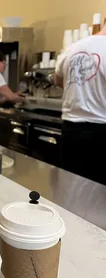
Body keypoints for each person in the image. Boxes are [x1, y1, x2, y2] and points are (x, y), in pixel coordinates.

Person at [54, 24, 106, 185]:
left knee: (71, 187)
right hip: (100, 133)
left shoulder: (73, 48)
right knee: (98, 195)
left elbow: (58, 81)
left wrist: (81, 87)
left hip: (71, 132)